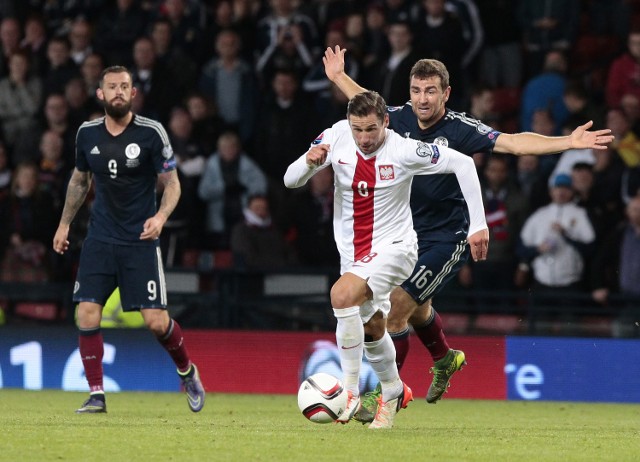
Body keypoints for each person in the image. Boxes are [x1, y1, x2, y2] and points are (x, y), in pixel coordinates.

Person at [322, 45, 614, 419]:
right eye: (416, 91)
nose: (422, 99)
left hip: (448, 236)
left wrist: (566, 142)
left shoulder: (461, 129)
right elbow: (366, 106)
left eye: (430, 91)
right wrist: (338, 78)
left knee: (396, 307)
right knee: (416, 305)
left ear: (446, 93)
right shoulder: (397, 119)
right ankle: (444, 358)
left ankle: (382, 396)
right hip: (402, 234)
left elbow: (512, 141)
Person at [284, 91, 488, 429]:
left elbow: (463, 164)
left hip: (396, 248)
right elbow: (290, 180)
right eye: (357, 129)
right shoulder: (336, 136)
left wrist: (478, 225)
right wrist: (308, 162)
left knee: (341, 295)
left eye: (371, 129)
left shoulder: (404, 149)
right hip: (353, 254)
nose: (364, 138)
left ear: (386, 123)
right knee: (372, 326)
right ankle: (393, 389)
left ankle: (349, 392)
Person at [52, 66, 205, 414]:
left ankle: (187, 371)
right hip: (100, 238)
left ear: (134, 93)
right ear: (100, 94)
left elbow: (172, 183)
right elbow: (79, 181)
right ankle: (96, 395)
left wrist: (161, 217)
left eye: (125, 86)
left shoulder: (152, 133)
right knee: (87, 313)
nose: (119, 92)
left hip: (140, 240)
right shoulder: (87, 134)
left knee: (156, 322)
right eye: (112, 87)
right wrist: (64, 224)